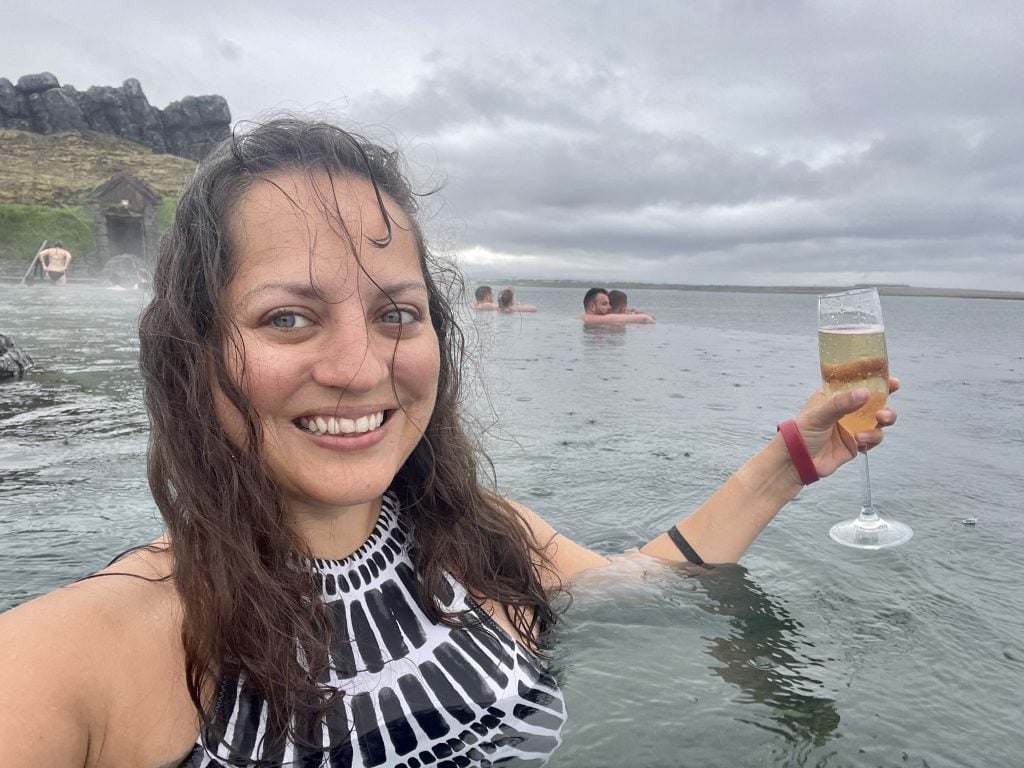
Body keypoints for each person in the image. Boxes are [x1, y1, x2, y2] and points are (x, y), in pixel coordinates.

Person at [0, 118, 898, 768]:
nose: (358, 367)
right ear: (192, 352)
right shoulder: (66, 663)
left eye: (396, 312)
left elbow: (648, 584)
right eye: (288, 317)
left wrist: (788, 465)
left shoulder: (483, 540)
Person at [578, 287, 654, 324]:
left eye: (609, 303)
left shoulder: (584, 317)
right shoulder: (593, 319)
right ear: (592, 306)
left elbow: (651, 317)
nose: (610, 307)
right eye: (605, 304)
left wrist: (632, 311)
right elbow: (646, 319)